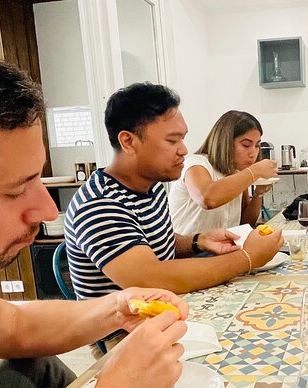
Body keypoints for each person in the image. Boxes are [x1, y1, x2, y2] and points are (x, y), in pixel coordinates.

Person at [0, 44, 189, 388]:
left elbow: (11, 325)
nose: (49, 210)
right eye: (17, 190)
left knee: (37, 370)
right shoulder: (101, 201)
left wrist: (118, 307)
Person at [65, 83, 283, 304]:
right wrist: (247, 257)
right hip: (125, 334)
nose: (183, 150)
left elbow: (155, 244)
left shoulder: (152, 187)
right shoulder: (100, 204)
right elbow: (152, 278)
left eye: (183, 138)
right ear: (128, 142)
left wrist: (198, 241)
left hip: (169, 311)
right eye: (172, 140)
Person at [168, 110, 277, 235]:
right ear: (225, 142)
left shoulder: (237, 172)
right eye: (246, 145)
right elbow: (207, 198)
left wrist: (258, 194)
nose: (253, 153)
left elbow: (245, 222)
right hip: (187, 251)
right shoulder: (196, 163)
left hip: (220, 250)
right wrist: (254, 172)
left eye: (257, 146)